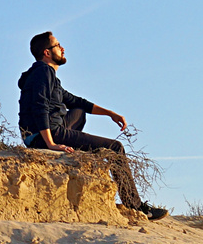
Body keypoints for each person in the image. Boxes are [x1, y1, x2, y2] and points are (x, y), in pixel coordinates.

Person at [17, 31, 168, 221]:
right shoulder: (43, 71)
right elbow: (40, 107)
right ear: (47, 52)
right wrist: (50, 143)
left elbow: (75, 100)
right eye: (57, 45)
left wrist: (110, 113)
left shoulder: (49, 77)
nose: (62, 48)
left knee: (79, 111)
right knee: (115, 147)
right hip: (46, 134)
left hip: (46, 131)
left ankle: (78, 152)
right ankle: (135, 205)